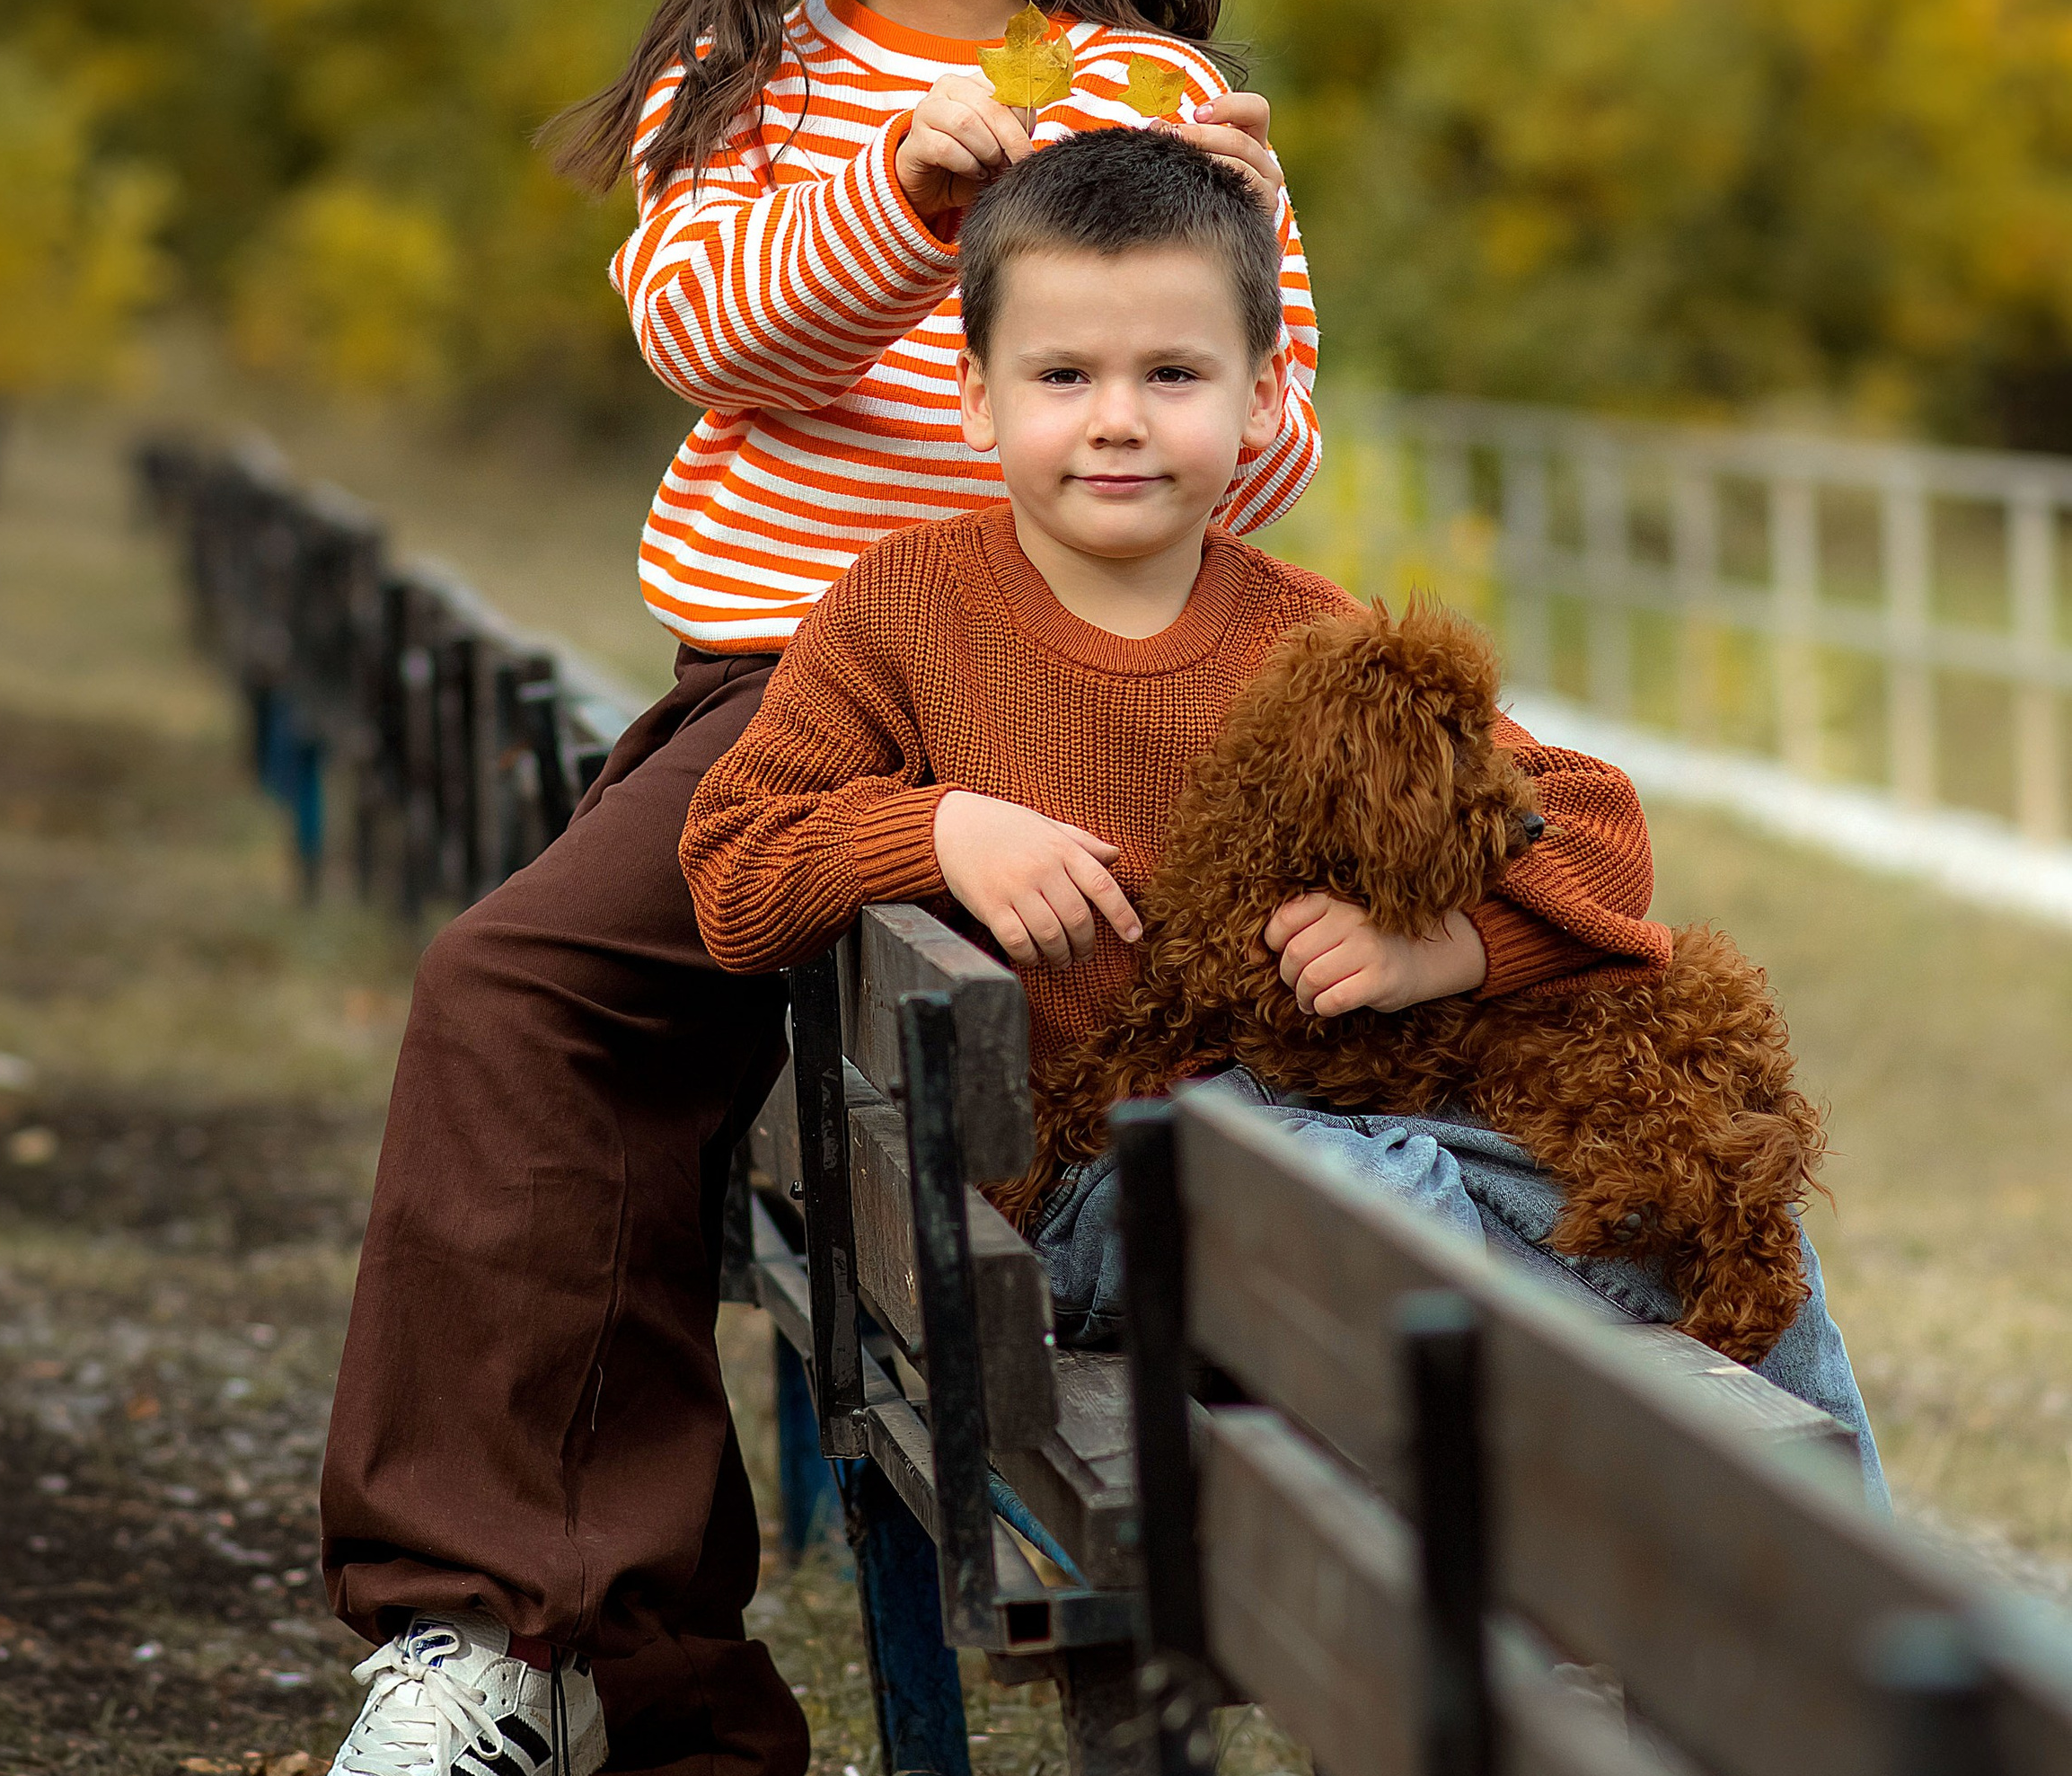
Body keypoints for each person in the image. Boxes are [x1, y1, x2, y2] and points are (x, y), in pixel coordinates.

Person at [263, 0, 1323, 1776]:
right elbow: (713, 339)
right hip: (775, 697)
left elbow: (1270, 452)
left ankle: (559, 1671)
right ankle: (607, 1712)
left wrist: (1205, 323)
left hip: (1058, 692)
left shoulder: (1145, 96)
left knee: (531, 1000)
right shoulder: (740, 82)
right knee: (546, 1012)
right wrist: (906, 191)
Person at [681, 127, 1881, 1484]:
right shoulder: (900, 614)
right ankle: (1607, 1495)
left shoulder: (1305, 630)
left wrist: (1448, 948)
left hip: (1359, 1132)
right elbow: (733, 867)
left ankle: (1864, 1625)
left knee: (1703, 1199)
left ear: (1262, 401)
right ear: (976, 399)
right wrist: (938, 827)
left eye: (1173, 374)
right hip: (1098, 1192)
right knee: (1360, 1190)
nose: (1118, 417)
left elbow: (1591, 819)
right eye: (1063, 375)